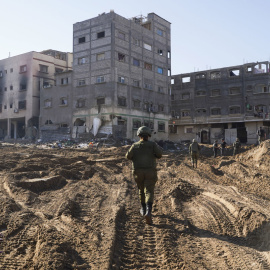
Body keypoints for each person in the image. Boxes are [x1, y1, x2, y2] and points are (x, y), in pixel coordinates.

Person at [126, 126, 162, 225]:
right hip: (150, 171)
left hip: (138, 171)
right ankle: (149, 211)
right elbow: (159, 154)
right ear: (148, 135)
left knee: (141, 190)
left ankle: (143, 208)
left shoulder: (134, 145)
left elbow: (128, 156)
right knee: (149, 191)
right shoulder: (153, 145)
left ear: (139, 135)